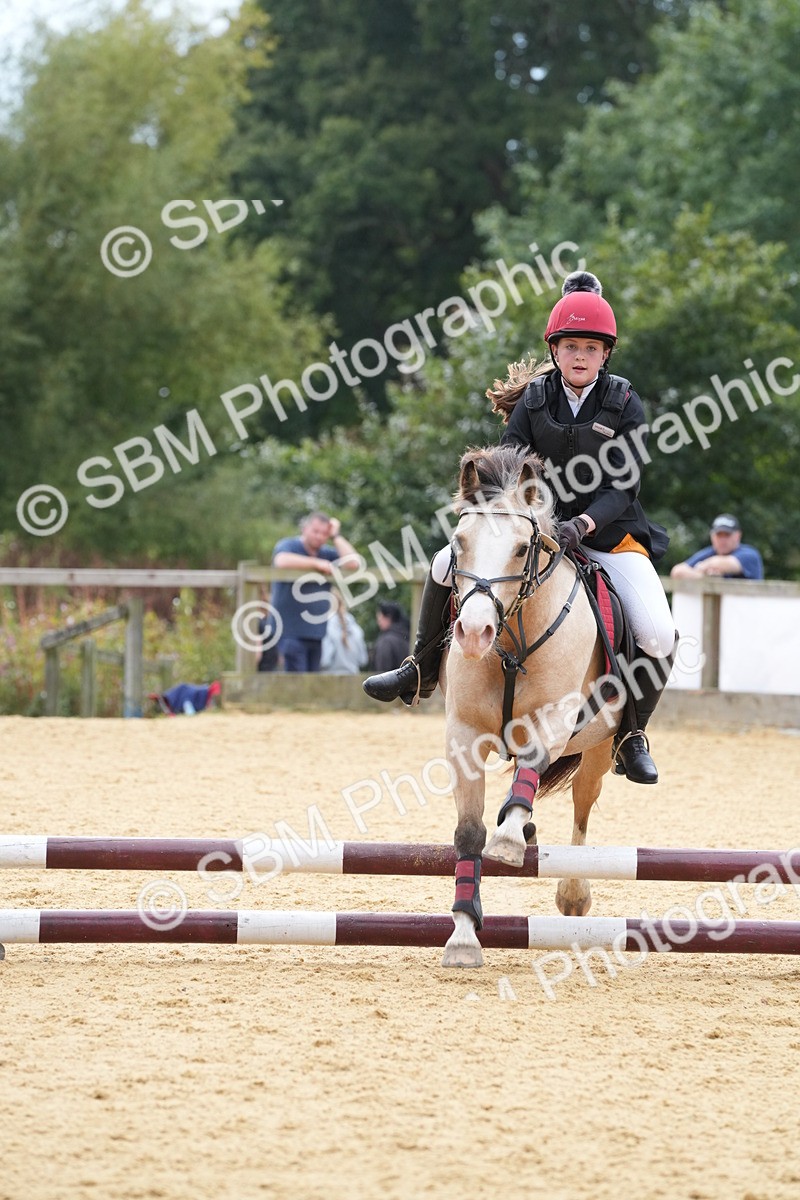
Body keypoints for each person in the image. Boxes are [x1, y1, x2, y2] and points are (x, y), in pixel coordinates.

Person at [364, 270, 678, 785]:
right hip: (534, 534)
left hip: (608, 534)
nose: (580, 356)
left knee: (660, 635)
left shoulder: (624, 404)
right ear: (554, 351)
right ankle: (418, 667)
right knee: (446, 562)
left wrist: (581, 523)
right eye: (571, 345)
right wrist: (505, 514)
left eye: (592, 348)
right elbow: (507, 465)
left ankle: (631, 734)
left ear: (606, 354)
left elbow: (625, 487)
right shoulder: (534, 401)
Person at [271, 512, 358, 673]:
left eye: (324, 533)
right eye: (315, 531)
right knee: (298, 688)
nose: (319, 537)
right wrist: (317, 564)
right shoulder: (289, 545)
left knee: (312, 686)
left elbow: (353, 563)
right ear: (304, 529)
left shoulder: (327, 553)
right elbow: (281, 560)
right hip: (289, 631)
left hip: (316, 633)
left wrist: (336, 536)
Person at [670, 514, 764, 580]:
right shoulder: (710, 552)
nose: (722, 540)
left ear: (738, 536)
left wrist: (700, 567)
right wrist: (704, 577)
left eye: (727, 535)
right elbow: (677, 572)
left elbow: (718, 563)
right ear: (712, 536)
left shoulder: (750, 554)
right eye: (719, 535)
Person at [320, 592, 369, 673]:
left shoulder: (326, 628)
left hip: (330, 681)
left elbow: (325, 661)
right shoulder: (356, 629)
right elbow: (363, 660)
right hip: (353, 680)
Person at [372, 601, 411, 673]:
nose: (378, 622)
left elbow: (382, 670)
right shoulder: (409, 636)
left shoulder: (386, 641)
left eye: (380, 618)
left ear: (388, 617)